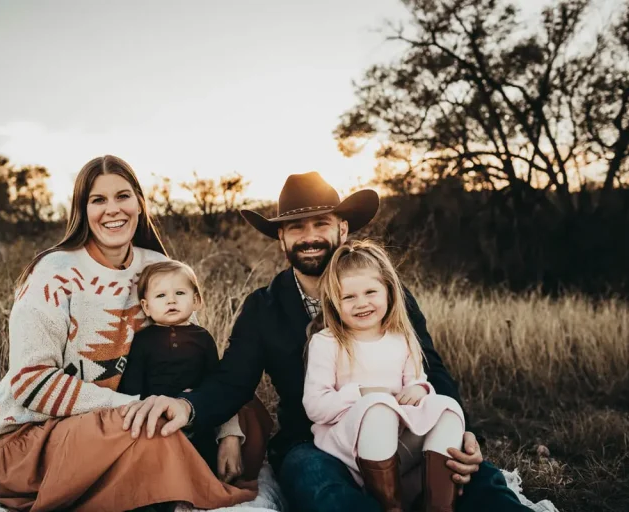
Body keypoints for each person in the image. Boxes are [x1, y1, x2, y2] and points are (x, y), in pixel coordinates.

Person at [121, 172, 531, 512]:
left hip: (411, 432)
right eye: (296, 227)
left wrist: (465, 429)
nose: (309, 235)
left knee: (483, 486)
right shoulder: (264, 307)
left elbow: (431, 368)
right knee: (324, 492)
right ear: (281, 239)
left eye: (321, 223)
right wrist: (188, 406)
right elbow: (232, 381)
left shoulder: (386, 294)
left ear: (342, 227)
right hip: (313, 441)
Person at [0, 155, 255, 511]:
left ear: (139, 202)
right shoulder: (53, 273)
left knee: (248, 418)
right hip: (36, 436)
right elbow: (31, 382)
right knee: (148, 430)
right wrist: (133, 409)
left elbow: (197, 358)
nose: (112, 210)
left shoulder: (155, 266)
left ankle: (161, 473)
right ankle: (167, 487)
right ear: (82, 209)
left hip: (124, 419)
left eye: (122, 196)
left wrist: (226, 430)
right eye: (98, 200)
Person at [303, 239, 466, 512]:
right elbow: (315, 407)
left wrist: (420, 389)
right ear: (334, 302)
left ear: (389, 292)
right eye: (349, 297)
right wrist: (364, 393)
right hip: (348, 448)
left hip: (399, 444)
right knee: (378, 408)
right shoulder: (326, 342)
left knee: (447, 407)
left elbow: (416, 379)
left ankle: (440, 505)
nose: (361, 303)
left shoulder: (402, 338)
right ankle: (389, 506)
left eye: (370, 292)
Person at [118, 260, 272, 483]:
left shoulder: (202, 338)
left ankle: (201, 489)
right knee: (156, 460)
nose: (171, 300)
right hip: (155, 417)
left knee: (203, 456)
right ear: (146, 306)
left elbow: (216, 381)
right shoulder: (142, 341)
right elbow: (132, 384)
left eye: (180, 293)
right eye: (160, 296)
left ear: (196, 300)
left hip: (196, 418)